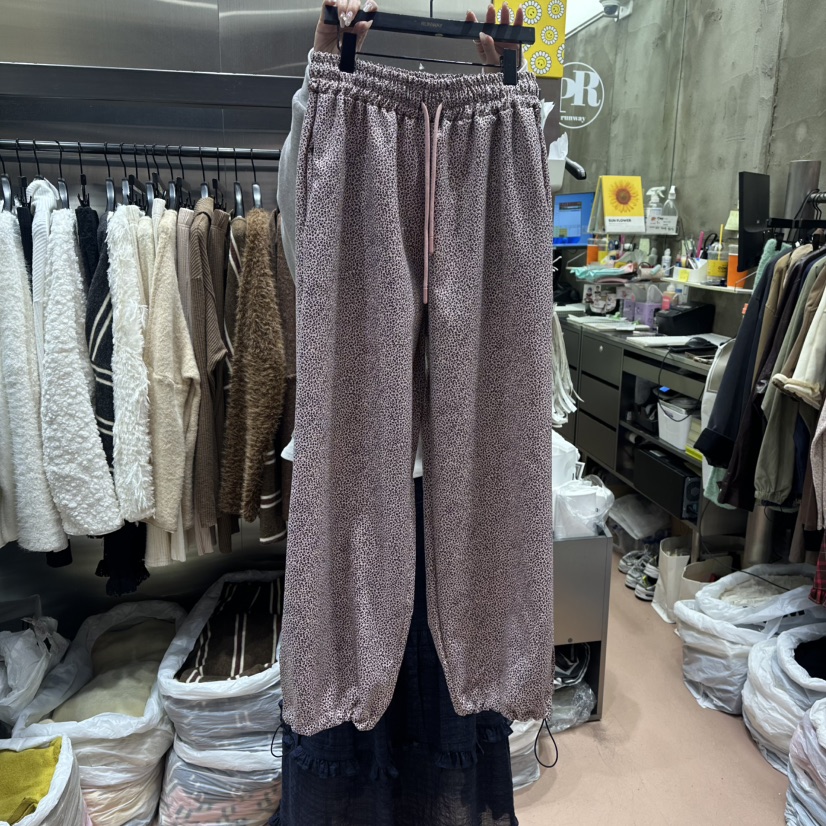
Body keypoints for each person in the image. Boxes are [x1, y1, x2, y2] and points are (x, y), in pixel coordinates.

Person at [271, 5, 534, 825]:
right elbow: (302, 226)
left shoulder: (501, 145)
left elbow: (517, 295)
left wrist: (506, 82)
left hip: (454, 507)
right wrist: (325, 67)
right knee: (353, 730)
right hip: (358, 505)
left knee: (450, 720)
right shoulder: (335, 138)